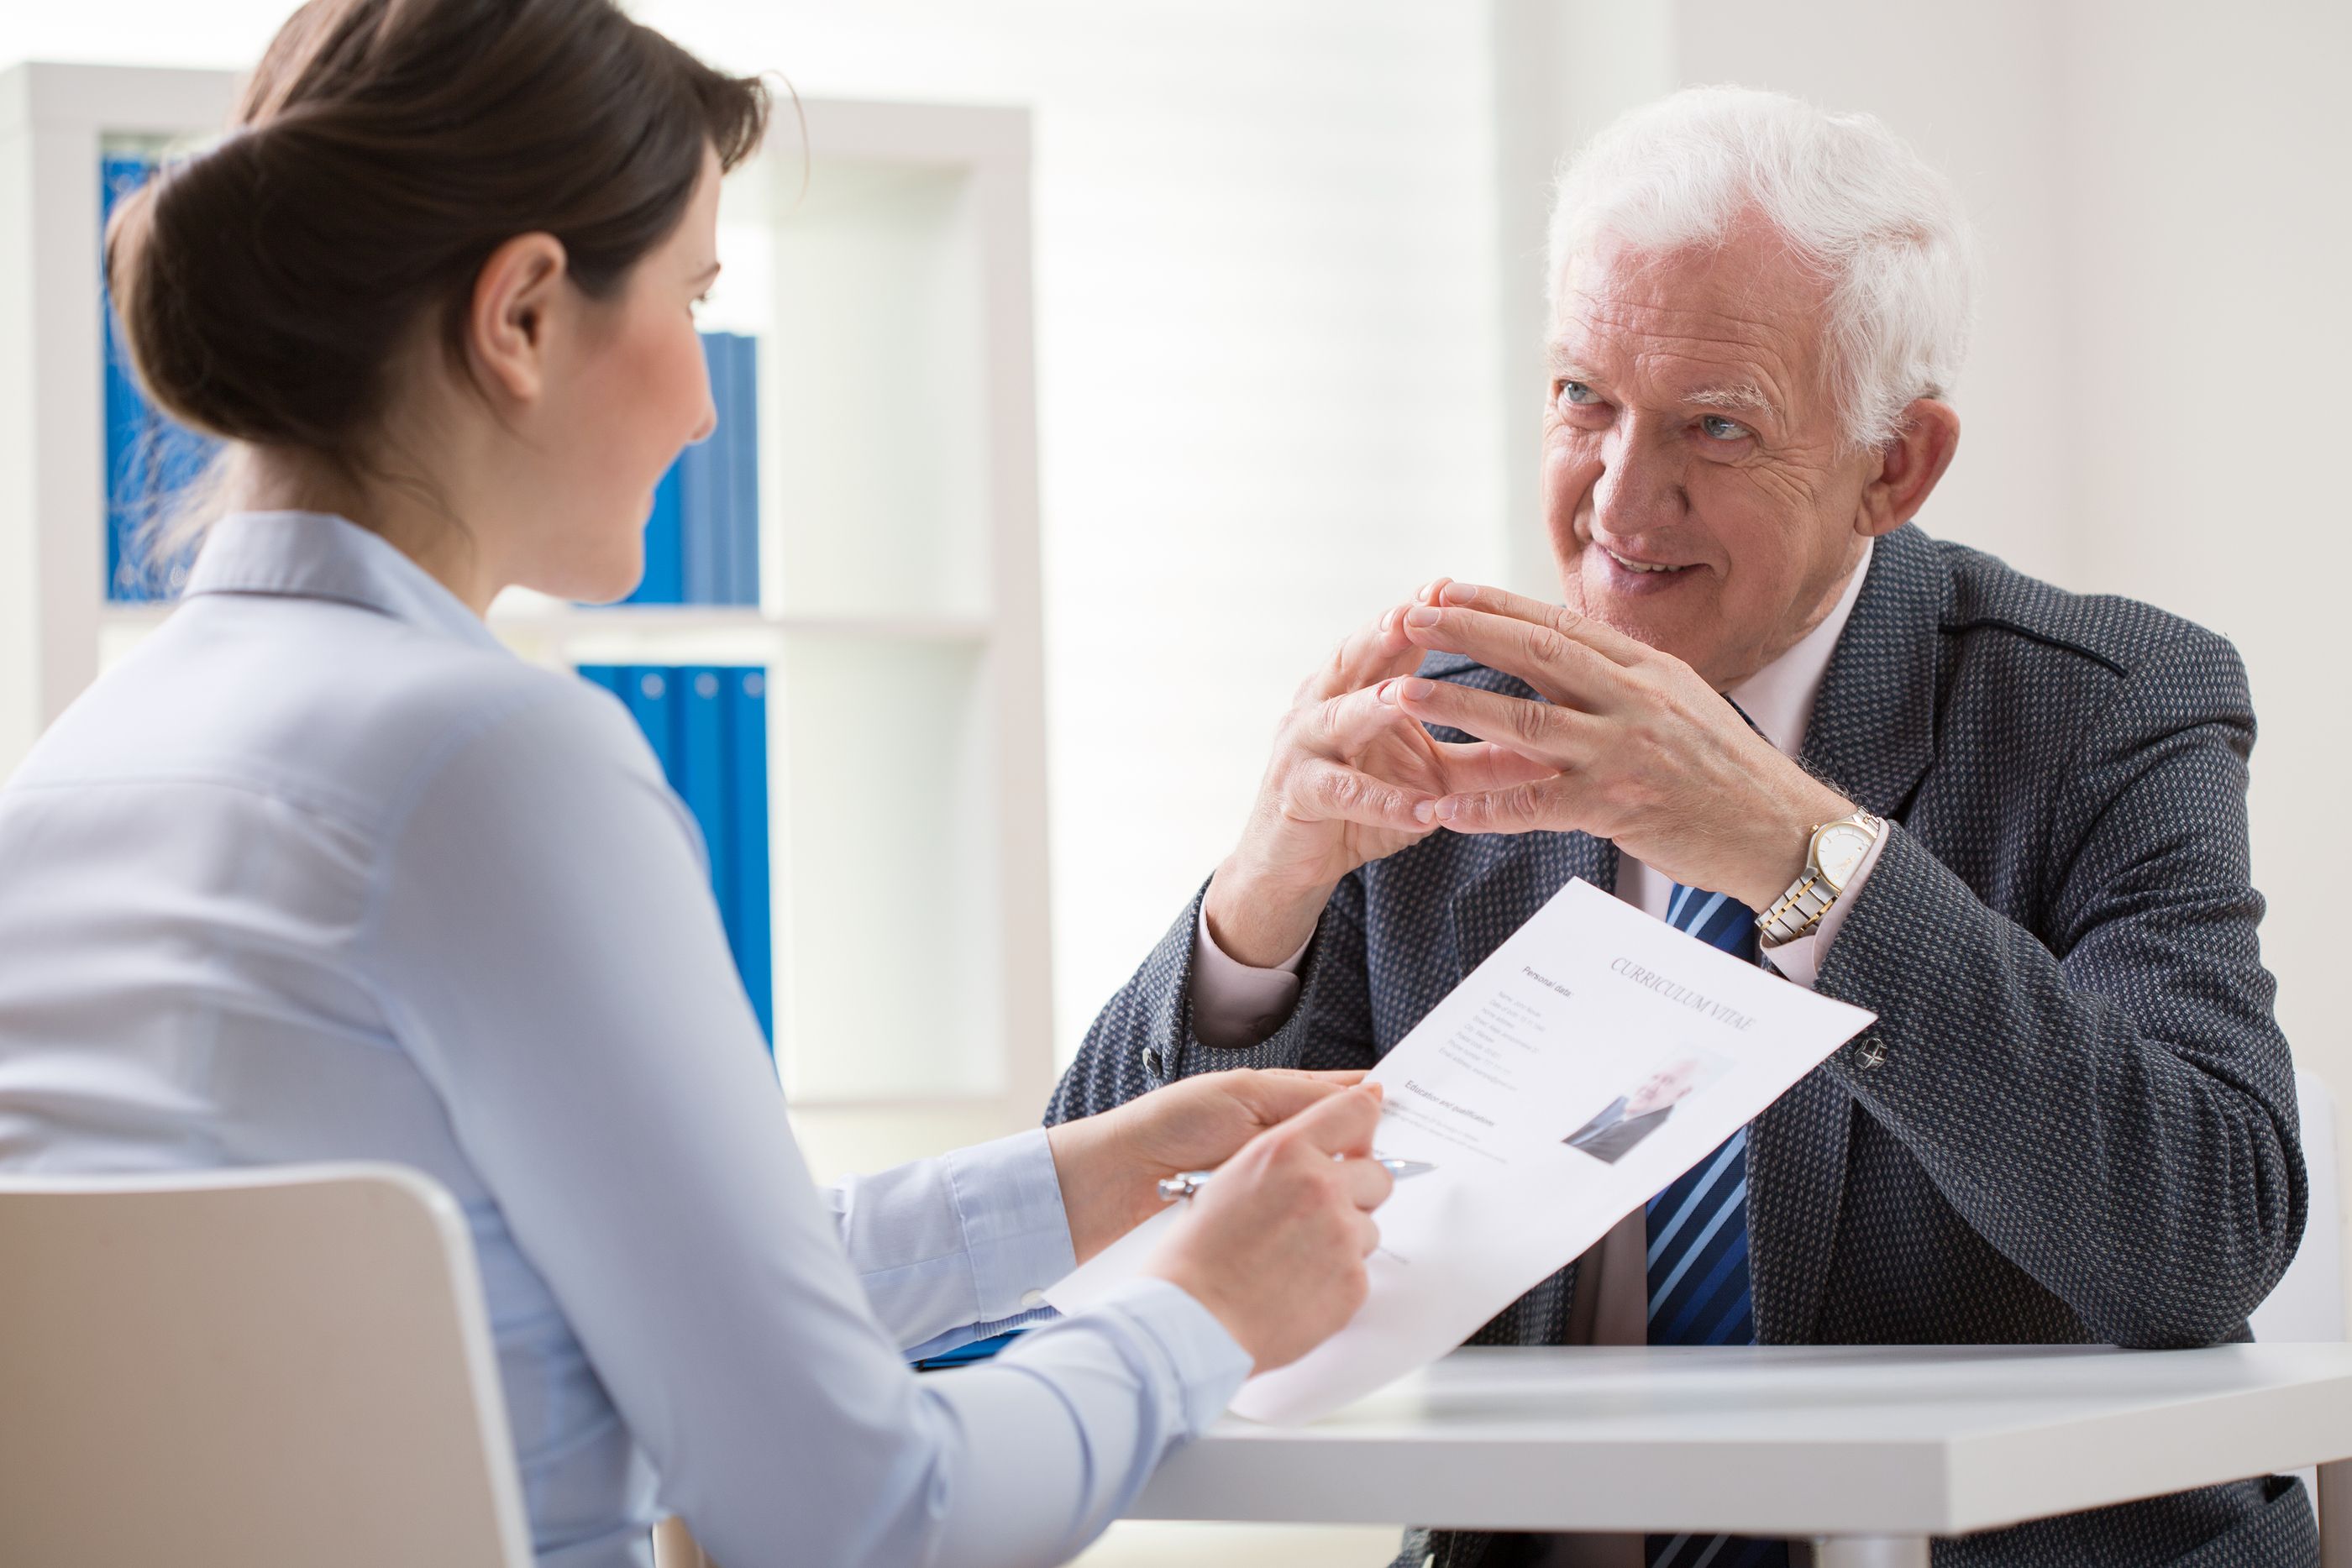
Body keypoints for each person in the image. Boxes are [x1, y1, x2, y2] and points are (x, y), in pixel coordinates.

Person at [0, 3, 1399, 1565]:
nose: (705, 404)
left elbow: (622, 1296)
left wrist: (1087, 1182)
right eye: (693, 297)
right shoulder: (485, 763)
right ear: (523, 315)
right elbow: (859, 1512)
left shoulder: (76, 771)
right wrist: (1203, 1306)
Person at [1049, 87, 2312, 1568]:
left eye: (1717, 426)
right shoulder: (1451, 720)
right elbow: (1094, 1262)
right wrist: (1253, 912)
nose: (1620, 500)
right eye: (1584, 397)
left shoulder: (2103, 707)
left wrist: (1802, 859)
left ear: (1894, 465)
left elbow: (2203, 1237)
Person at [1562, 1059, 1701, 1165]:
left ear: (1681, 1094)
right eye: (1655, 1077)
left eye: (1668, 1082)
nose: (1651, 1086)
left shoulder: (1634, 1131)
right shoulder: (1618, 1105)